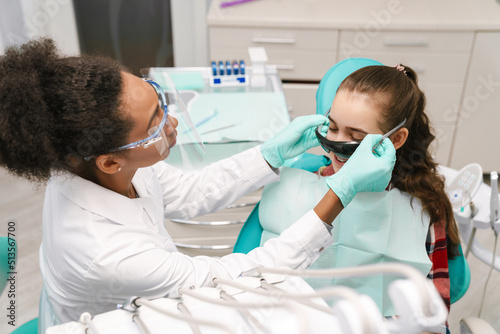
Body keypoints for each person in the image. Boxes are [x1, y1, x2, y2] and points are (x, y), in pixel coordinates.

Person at [0, 39, 396, 328]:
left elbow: (190, 192)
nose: (172, 122)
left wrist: (270, 153)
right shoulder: (104, 252)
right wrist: (338, 194)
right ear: (109, 160)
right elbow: (244, 278)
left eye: (158, 101)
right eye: (155, 121)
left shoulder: (90, 159)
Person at [255, 59, 459, 324]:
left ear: (396, 139)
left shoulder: (421, 207)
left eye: (356, 135)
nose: (336, 144)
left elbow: (431, 314)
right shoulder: (298, 191)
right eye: (333, 127)